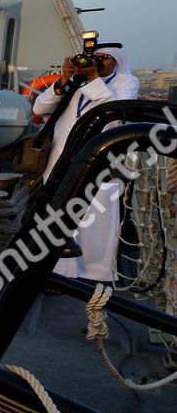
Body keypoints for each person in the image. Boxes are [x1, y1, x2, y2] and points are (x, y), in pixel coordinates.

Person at [31, 43, 141, 281]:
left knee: (95, 219)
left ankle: (93, 273)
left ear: (117, 62)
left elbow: (113, 115)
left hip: (100, 160)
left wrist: (92, 77)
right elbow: (40, 107)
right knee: (57, 214)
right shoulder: (75, 82)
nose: (99, 62)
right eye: (96, 58)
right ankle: (58, 273)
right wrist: (64, 80)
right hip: (61, 157)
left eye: (105, 58)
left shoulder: (126, 82)